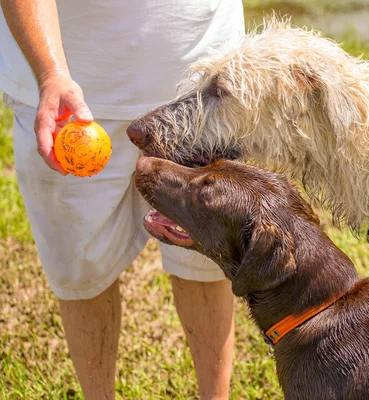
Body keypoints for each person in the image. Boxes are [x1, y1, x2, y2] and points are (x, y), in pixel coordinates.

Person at [0, 0, 244, 398]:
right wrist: (51, 71)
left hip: (201, 76)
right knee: (79, 270)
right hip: (71, 96)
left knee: (206, 259)